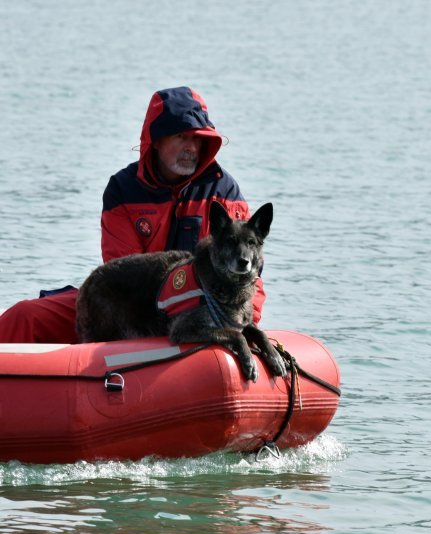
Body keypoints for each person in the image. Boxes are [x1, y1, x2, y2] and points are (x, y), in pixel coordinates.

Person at [0, 86, 265, 343]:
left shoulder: (224, 190)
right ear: (157, 141)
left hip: (203, 312)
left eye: (197, 138)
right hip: (131, 303)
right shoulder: (122, 188)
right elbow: (121, 271)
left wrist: (243, 324)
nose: (192, 147)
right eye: (181, 137)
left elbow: (248, 270)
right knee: (24, 315)